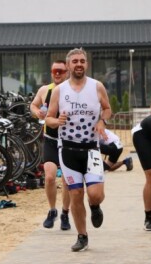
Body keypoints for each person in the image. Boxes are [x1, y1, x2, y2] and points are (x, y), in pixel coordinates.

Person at [45, 47, 112, 252]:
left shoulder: (96, 86)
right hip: (67, 150)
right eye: (75, 61)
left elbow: (108, 109)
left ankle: (95, 206)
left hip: (91, 149)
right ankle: (82, 235)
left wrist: (102, 120)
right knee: (75, 194)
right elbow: (48, 118)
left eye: (82, 61)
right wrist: (57, 121)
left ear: (87, 64)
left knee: (95, 194)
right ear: (68, 65)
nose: (79, 64)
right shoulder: (59, 90)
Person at [30, 60, 71, 231]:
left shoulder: (72, 90)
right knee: (49, 177)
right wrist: (37, 112)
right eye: (55, 70)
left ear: (67, 72)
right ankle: (52, 210)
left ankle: (65, 213)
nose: (57, 73)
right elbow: (33, 104)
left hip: (69, 141)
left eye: (61, 71)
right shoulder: (45, 89)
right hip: (51, 140)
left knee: (68, 181)